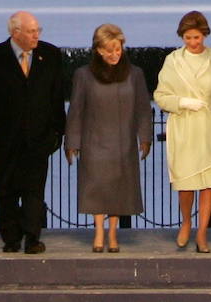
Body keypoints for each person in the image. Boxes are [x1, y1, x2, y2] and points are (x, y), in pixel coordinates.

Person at [0, 10, 66, 254]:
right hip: (5, 138)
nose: (37, 35)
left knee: (34, 190)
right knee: (6, 189)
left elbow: (56, 97)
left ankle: (33, 237)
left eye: (38, 30)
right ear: (15, 33)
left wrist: (59, 130)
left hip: (39, 136)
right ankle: (11, 237)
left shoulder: (51, 55)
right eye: (32, 31)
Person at [154, 10, 211, 253]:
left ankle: (202, 233)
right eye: (188, 38)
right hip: (185, 126)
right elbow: (160, 95)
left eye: (197, 37)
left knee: (209, 184)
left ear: (205, 35)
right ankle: (186, 222)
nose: (193, 42)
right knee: (185, 181)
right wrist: (182, 103)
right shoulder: (173, 60)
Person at [64, 22, 153, 253]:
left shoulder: (135, 74)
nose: (114, 54)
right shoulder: (83, 75)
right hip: (94, 143)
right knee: (97, 188)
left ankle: (113, 233)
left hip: (123, 143)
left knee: (119, 189)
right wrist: (72, 142)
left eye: (118, 49)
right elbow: (76, 111)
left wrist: (145, 137)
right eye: (109, 50)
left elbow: (143, 108)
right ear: (98, 50)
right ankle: (99, 232)